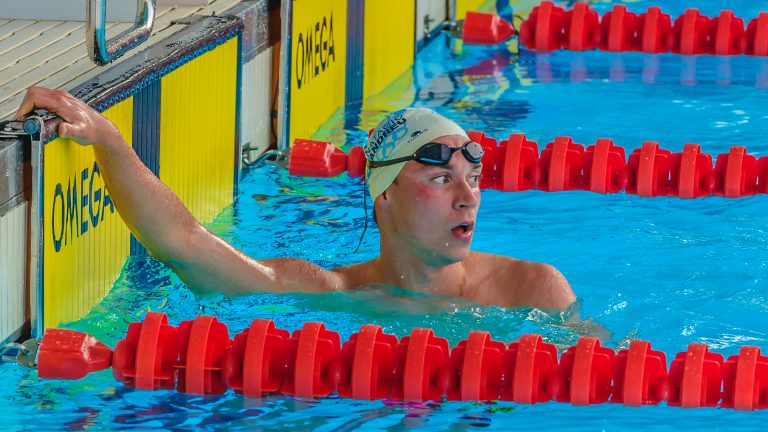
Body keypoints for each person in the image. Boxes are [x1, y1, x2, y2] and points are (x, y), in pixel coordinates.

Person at [14, 87, 576, 310]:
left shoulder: (531, 289)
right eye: (439, 178)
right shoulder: (334, 292)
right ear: (382, 197)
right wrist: (111, 144)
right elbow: (185, 244)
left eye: (471, 179)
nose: (467, 199)